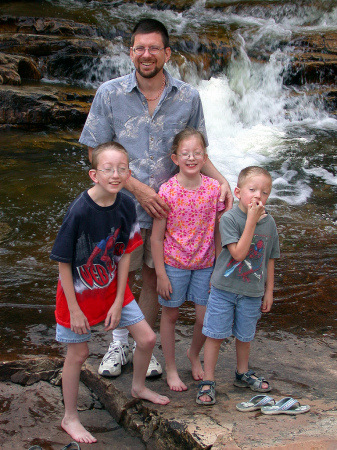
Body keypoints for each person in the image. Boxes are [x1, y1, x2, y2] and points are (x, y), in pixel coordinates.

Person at [79, 18, 234, 379]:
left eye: (153, 48)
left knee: (151, 278)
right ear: (131, 52)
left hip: (168, 212)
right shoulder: (110, 93)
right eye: (139, 48)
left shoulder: (188, 97)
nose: (146, 54)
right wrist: (136, 187)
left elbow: (198, 151)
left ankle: (142, 346)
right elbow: (94, 153)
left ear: (166, 53)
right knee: (113, 276)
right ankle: (118, 344)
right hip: (118, 206)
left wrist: (223, 181)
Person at [50, 142, 170, 444]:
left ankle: (139, 387)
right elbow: (63, 263)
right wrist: (75, 310)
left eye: (121, 169)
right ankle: (70, 417)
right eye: (108, 169)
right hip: (78, 296)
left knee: (146, 338)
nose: (115, 175)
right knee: (78, 353)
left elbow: (125, 254)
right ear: (94, 174)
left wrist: (119, 301)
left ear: (129, 172)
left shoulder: (127, 204)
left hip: (112, 290)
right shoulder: (79, 211)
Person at [196, 166, 280, 405]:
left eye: (264, 192)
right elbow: (239, 254)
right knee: (215, 334)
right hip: (223, 289)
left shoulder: (270, 222)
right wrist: (251, 221)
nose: (258, 196)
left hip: (252, 291)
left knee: (245, 335)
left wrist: (269, 291)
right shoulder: (230, 218)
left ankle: (242, 373)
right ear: (238, 191)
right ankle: (209, 379)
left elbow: (270, 258)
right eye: (252, 189)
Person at [151, 128, 225, 392]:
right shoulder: (167, 191)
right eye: (185, 153)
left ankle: (193, 354)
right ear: (175, 158)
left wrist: (218, 266)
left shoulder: (214, 189)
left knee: (205, 318)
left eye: (197, 153)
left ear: (205, 157)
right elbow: (157, 238)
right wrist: (160, 273)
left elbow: (218, 231)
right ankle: (171, 369)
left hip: (205, 264)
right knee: (170, 314)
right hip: (174, 265)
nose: (191, 158)